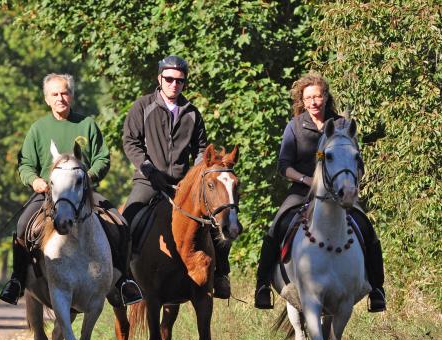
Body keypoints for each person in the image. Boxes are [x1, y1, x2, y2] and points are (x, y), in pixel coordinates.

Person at [0, 73, 143, 306]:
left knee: (119, 222)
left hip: (83, 192)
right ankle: (17, 280)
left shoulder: (87, 125)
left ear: (72, 96)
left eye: (65, 93)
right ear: (46, 99)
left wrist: (87, 176)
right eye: (54, 94)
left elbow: (102, 159)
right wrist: (34, 180)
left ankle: (124, 280)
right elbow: (25, 163)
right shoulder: (38, 129)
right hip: (49, 194)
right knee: (23, 223)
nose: (60, 98)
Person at [253, 71, 386, 312]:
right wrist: (307, 179)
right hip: (302, 189)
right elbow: (284, 166)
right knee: (278, 224)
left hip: (338, 193)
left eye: (318, 96)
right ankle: (262, 284)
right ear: (302, 101)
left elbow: (357, 162)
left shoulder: (342, 125)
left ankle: (377, 289)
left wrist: (351, 184)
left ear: (325, 97)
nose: (313, 102)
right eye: (308, 98)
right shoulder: (294, 127)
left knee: (366, 226)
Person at [122, 55, 233, 299]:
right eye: (169, 79)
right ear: (159, 78)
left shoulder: (192, 112)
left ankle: (221, 274)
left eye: (180, 81)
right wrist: (148, 169)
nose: (174, 84)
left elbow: (202, 149)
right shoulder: (142, 106)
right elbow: (130, 143)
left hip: (185, 185)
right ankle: (124, 279)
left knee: (220, 217)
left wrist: (193, 176)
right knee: (127, 219)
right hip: (148, 180)